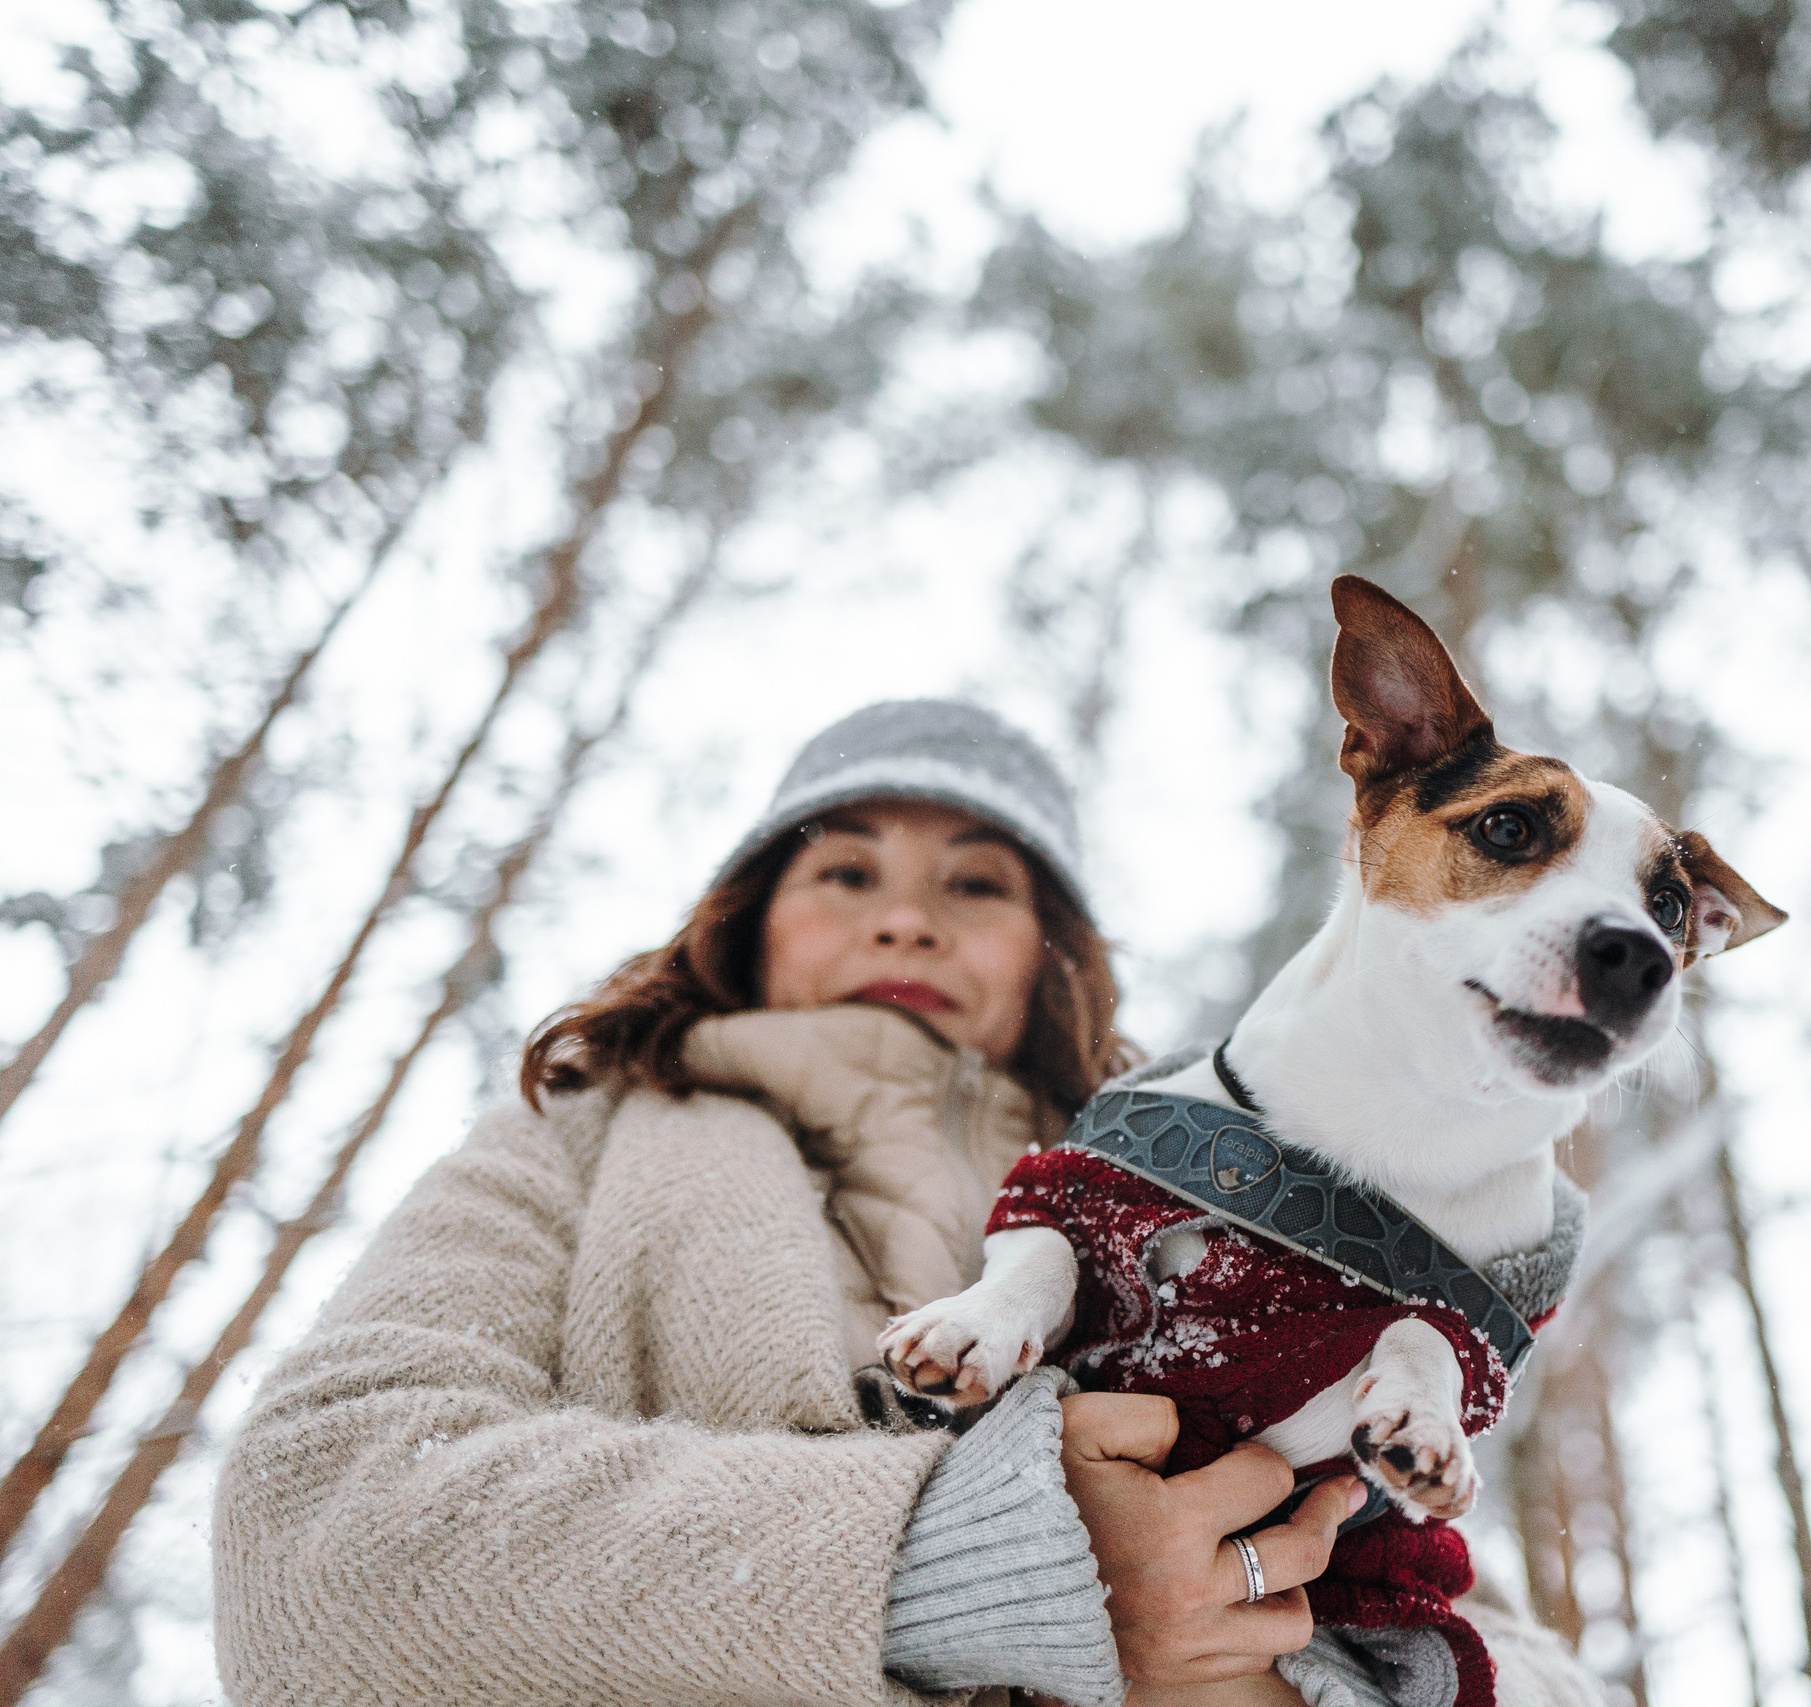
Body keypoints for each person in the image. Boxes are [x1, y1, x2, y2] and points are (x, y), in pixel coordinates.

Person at [209, 701, 1371, 1707]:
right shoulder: (585, 1131)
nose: (907, 919)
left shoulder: (1190, 1212)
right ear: (753, 918)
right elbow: (316, 1525)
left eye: (974, 882)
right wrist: (964, 1561)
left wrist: (1269, 1670)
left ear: (1047, 959)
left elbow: (1502, 1642)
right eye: (846, 871)